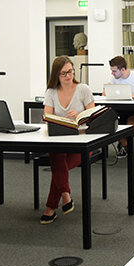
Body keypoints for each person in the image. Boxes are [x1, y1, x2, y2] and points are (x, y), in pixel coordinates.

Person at [41, 56, 95, 224]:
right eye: (64, 73)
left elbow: (92, 115)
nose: (68, 76)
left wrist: (79, 116)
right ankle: (65, 194)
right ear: (56, 74)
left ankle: (52, 206)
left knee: (58, 164)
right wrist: (60, 120)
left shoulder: (83, 89)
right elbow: (48, 116)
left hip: (83, 141)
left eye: (70, 71)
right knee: (58, 155)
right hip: (59, 139)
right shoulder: (50, 92)